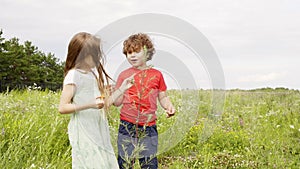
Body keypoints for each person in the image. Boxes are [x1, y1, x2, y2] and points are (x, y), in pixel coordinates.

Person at [58, 32, 133, 169]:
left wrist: (122, 88)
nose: (97, 58)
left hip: (98, 127)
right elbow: (63, 107)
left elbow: (104, 105)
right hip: (84, 128)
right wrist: (90, 105)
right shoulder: (73, 75)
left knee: (104, 163)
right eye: (93, 54)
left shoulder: (92, 74)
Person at [114, 33, 176, 169]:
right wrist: (118, 91)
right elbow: (117, 102)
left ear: (147, 52)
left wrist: (168, 106)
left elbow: (163, 96)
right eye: (129, 52)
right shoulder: (124, 75)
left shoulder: (157, 74)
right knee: (125, 163)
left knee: (149, 164)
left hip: (149, 127)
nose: (132, 55)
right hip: (127, 125)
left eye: (137, 51)